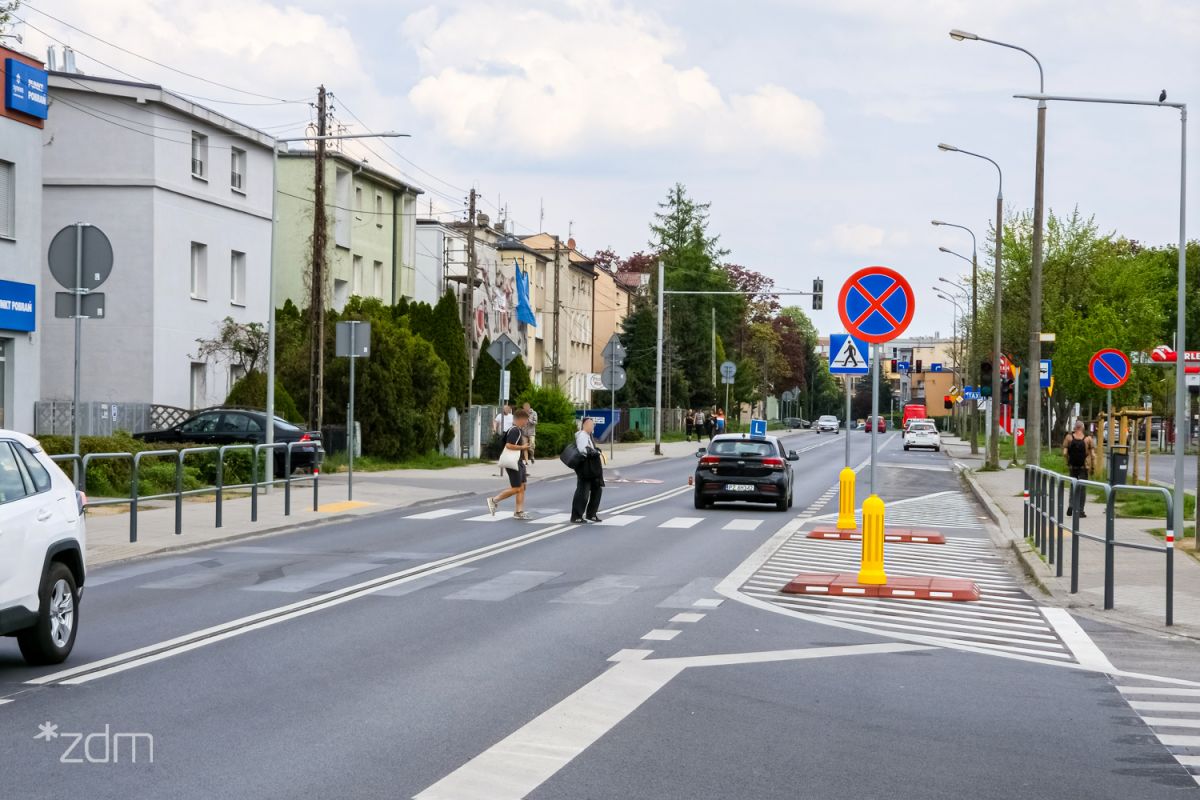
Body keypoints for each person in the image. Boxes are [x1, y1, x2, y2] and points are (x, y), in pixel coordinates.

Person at [488, 407, 533, 520]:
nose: (527, 422)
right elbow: (508, 445)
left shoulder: (518, 430)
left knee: (522, 487)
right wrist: (523, 447)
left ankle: (519, 512)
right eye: (526, 420)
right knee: (516, 488)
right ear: (521, 419)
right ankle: (494, 500)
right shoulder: (514, 430)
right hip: (513, 462)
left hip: (519, 461)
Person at [571, 417, 605, 523]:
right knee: (583, 493)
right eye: (591, 424)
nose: (592, 426)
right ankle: (576, 516)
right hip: (585, 468)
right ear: (585, 425)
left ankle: (591, 514)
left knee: (597, 490)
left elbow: (589, 448)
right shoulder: (582, 435)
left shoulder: (588, 435)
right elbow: (583, 450)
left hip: (592, 468)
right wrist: (593, 452)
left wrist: (595, 450)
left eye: (593, 425)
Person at [1062, 420, 1095, 518]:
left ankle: (1071, 505)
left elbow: (1064, 453)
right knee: (1082, 488)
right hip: (1084, 467)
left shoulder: (1069, 437)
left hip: (1073, 467)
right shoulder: (1088, 439)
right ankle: (1080, 510)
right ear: (1083, 428)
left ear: (1075, 427)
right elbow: (1093, 455)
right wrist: (1092, 467)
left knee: (1073, 486)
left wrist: (1068, 461)